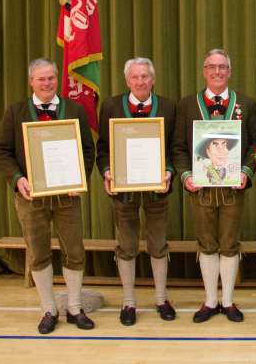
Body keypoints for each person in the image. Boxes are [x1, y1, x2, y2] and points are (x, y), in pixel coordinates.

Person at [0, 58, 95, 333]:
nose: (47, 83)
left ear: (56, 79)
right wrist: (18, 179)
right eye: (41, 79)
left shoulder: (74, 109)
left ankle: (74, 308)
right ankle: (49, 309)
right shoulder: (15, 112)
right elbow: (2, 151)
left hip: (68, 196)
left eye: (51, 78)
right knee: (38, 253)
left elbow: (88, 150)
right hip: (30, 197)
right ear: (31, 82)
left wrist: (79, 179)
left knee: (74, 251)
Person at [172, 49, 256, 323]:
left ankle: (229, 301)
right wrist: (186, 175)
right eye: (212, 67)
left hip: (233, 189)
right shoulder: (187, 105)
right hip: (200, 190)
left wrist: (246, 170)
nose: (218, 72)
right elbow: (178, 147)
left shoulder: (245, 103)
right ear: (204, 70)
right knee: (207, 244)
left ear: (230, 71)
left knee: (229, 243)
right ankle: (210, 301)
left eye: (223, 67)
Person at [96, 57, 177, 326]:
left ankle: (161, 299)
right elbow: (104, 148)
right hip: (124, 191)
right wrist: (107, 171)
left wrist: (169, 172)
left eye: (145, 76)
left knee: (157, 244)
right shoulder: (110, 105)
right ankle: (128, 301)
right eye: (135, 77)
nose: (140, 81)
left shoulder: (167, 106)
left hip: (156, 189)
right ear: (127, 80)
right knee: (127, 246)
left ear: (153, 79)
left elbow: (175, 148)